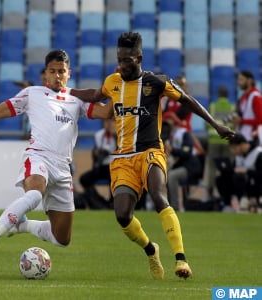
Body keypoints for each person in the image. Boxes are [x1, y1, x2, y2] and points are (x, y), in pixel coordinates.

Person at [70, 32, 234, 279]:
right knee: (123, 216)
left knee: (158, 196)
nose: (122, 65)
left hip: (151, 151)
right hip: (123, 159)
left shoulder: (156, 83)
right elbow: (94, 95)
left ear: (139, 57)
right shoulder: (112, 82)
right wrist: (63, 91)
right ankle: (151, 250)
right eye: (119, 59)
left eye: (127, 60)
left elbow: (188, 101)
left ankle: (181, 260)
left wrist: (216, 125)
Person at [0, 49, 112, 269]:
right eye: (53, 71)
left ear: (68, 73)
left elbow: (107, 112)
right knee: (33, 195)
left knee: (62, 239)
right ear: (46, 74)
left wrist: (122, 87)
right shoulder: (33, 93)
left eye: (61, 71)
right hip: (38, 157)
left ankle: (21, 226)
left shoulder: (77, 100)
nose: (57, 76)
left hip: (63, 168)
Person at [163, 117, 203, 212]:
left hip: (190, 167)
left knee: (172, 176)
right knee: (162, 174)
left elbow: (187, 152)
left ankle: (174, 206)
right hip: (180, 166)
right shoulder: (169, 136)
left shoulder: (184, 134)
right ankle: (162, 204)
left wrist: (173, 150)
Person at [215, 134, 262, 213]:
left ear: (242, 144)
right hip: (240, 183)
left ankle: (245, 202)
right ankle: (227, 204)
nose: (233, 151)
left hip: (255, 183)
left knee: (240, 177)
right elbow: (234, 169)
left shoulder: (258, 153)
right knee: (222, 177)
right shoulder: (239, 156)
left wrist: (246, 171)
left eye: (234, 148)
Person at [78, 118, 116, 209]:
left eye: (110, 122)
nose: (108, 124)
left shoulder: (119, 135)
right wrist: (96, 153)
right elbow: (95, 154)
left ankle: (113, 203)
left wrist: (115, 135)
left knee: (114, 180)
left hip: (114, 167)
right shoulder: (99, 135)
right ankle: (98, 202)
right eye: (106, 122)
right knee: (84, 179)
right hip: (101, 167)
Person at [206, 85, 236, 198]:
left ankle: (211, 191)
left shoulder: (213, 106)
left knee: (212, 167)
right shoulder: (232, 108)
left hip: (213, 141)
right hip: (228, 142)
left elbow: (207, 123)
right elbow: (235, 125)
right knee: (227, 167)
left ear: (218, 94)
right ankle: (226, 191)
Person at [233, 70, 262, 143]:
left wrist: (241, 121)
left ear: (249, 81)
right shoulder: (243, 96)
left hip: (251, 138)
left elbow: (260, 120)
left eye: (241, 80)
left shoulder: (255, 97)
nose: (239, 82)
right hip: (243, 136)